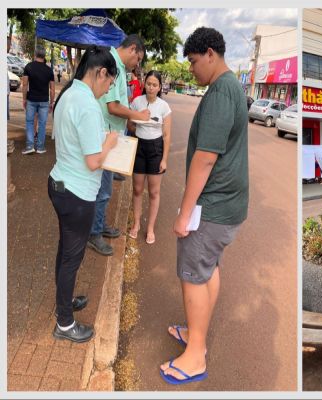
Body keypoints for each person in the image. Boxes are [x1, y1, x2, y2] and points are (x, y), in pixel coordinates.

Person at [160, 27, 249, 385]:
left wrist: (184, 213)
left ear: (210, 54)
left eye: (194, 62)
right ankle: (196, 331)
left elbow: (205, 158)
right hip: (226, 205)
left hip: (212, 206)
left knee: (192, 273)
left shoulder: (221, 92)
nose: (192, 69)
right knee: (208, 268)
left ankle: (195, 354)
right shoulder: (228, 88)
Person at [48, 46, 119, 342]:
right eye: (110, 83)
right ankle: (64, 324)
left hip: (60, 183)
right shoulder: (88, 104)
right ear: (101, 72)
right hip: (77, 193)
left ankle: (63, 304)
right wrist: (111, 142)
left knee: (66, 252)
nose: (108, 90)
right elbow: (94, 161)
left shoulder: (68, 95)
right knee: (71, 258)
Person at [87, 34, 150, 257]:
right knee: (102, 189)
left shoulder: (118, 66)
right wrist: (138, 116)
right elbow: (113, 106)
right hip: (105, 134)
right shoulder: (112, 64)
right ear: (132, 49)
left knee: (105, 188)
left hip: (111, 134)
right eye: (139, 59)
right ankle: (94, 234)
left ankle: (100, 224)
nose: (137, 64)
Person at [126, 70, 172, 245]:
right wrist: (136, 120)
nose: (151, 87)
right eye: (149, 83)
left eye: (155, 85)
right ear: (144, 83)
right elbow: (129, 125)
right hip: (139, 146)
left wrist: (164, 159)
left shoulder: (164, 107)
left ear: (160, 87)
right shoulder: (137, 102)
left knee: (154, 192)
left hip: (155, 149)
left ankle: (150, 227)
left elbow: (167, 135)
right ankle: (136, 223)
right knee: (137, 189)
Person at [22, 45, 55, 154]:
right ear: (44, 55)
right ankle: (40, 148)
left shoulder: (28, 67)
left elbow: (25, 85)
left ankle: (30, 146)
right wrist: (52, 102)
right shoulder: (49, 70)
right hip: (44, 101)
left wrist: (24, 99)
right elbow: (52, 89)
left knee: (30, 122)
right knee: (42, 124)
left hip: (31, 100)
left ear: (35, 54)